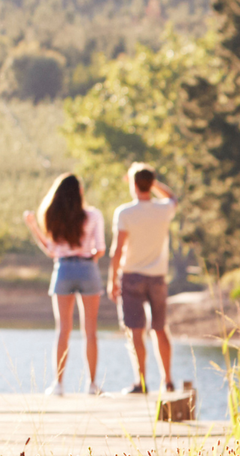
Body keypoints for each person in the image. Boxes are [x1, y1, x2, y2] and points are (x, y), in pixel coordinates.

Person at [22, 173, 106, 395]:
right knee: (90, 331)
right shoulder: (93, 215)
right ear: (80, 192)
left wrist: (33, 226)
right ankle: (92, 384)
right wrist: (88, 255)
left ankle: (58, 385)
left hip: (64, 269)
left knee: (63, 331)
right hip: (88, 269)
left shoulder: (53, 216)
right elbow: (100, 249)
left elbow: (51, 250)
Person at [109, 162, 178, 394]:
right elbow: (172, 197)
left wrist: (112, 280)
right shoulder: (163, 209)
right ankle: (167, 380)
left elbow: (117, 250)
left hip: (131, 277)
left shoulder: (125, 213)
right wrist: (153, 183)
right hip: (157, 277)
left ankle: (141, 382)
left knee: (135, 330)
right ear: (150, 184)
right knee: (160, 328)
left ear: (133, 184)